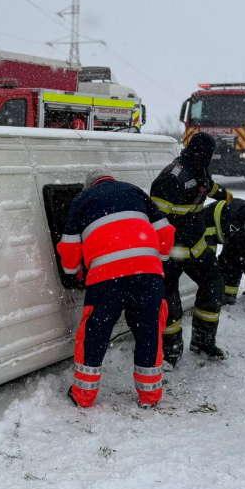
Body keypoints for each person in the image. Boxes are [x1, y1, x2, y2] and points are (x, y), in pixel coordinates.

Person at [57, 168, 175, 408]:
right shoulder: (134, 191)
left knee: (95, 334)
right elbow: (165, 231)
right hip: (147, 275)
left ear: (89, 185)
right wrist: (154, 259)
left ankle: (83, 397)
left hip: (106, 277)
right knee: (148, 332)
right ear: (111, 179)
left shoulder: (82, 200)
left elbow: (69, 249)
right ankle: (149, 396)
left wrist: (72, 275)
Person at [151, 132, 233, 365]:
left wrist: (225, 195)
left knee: (215, 284)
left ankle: (203, 341)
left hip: (196, 247)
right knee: (170, 301)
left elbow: (207, 185)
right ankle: (171, 352)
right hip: (171, 252)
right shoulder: (172, 177)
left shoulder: (198, 168)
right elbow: (156, 219)